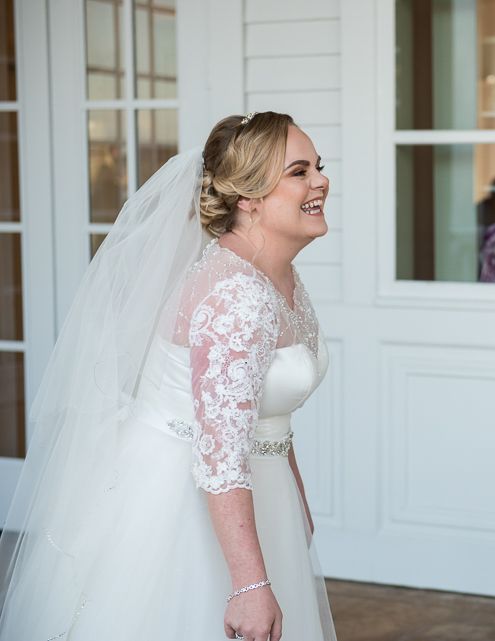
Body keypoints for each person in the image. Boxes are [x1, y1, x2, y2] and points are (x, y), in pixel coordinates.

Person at [0, 112, 337, 640]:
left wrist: (294, 499)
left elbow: (263, 412)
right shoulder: (236, 297)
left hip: (254, 488)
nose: (321, 180)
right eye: (300, 171)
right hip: (186, 503)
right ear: (248, 198)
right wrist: (249, 584)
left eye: (319, 167)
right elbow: (221, 453)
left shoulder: (277, 273)